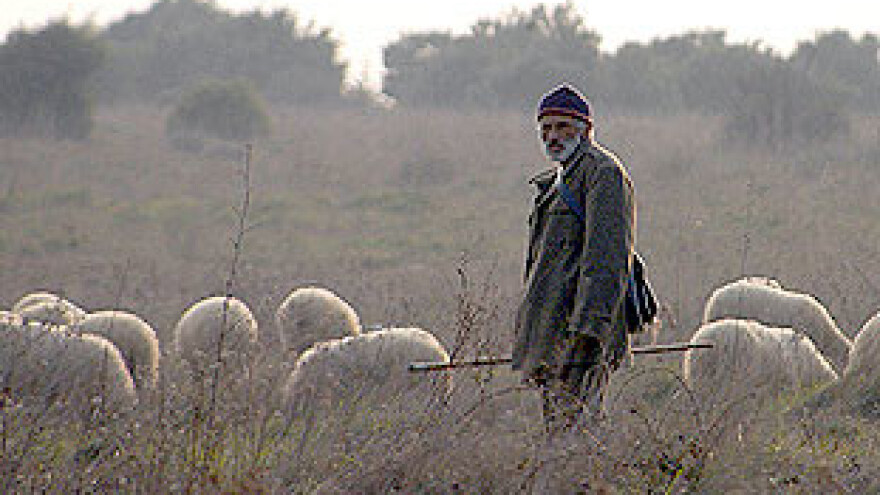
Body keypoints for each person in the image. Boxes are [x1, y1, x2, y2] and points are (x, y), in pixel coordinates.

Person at [513, 83, 635, 431]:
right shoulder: (557, 179)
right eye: (546, 128)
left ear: (586, 130)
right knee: (559, 430)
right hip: (554, 328)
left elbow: (607, 260)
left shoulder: (603, 173)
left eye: (563, 126)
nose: (553, 136)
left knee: (580, 430)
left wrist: (588, 332)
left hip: (582, 333)